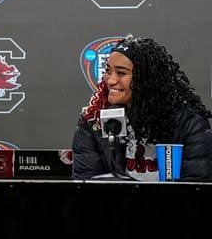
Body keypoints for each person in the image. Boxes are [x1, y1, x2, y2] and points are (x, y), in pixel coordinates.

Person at [72, 35, 212, 181]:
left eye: (121, 73)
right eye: (108, 71)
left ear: (147, 79)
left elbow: (196, 190)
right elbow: (86, 187)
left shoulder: (188, 123)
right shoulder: (93, 122)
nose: (111, 80)